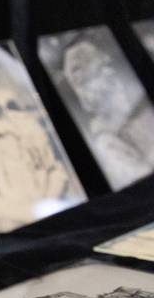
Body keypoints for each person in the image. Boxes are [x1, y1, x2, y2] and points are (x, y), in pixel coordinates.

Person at [0, 54, 82, 230]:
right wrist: (32, 214)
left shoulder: (26, 121)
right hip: (20, 227)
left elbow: (56, 169)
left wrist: (47, 208)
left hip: (57, 210)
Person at [61, 39, 154, 188]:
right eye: (99, 70)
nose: (110, 72)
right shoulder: (107, 143)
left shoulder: (138, 107)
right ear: (84, 90)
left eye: (107, 64)